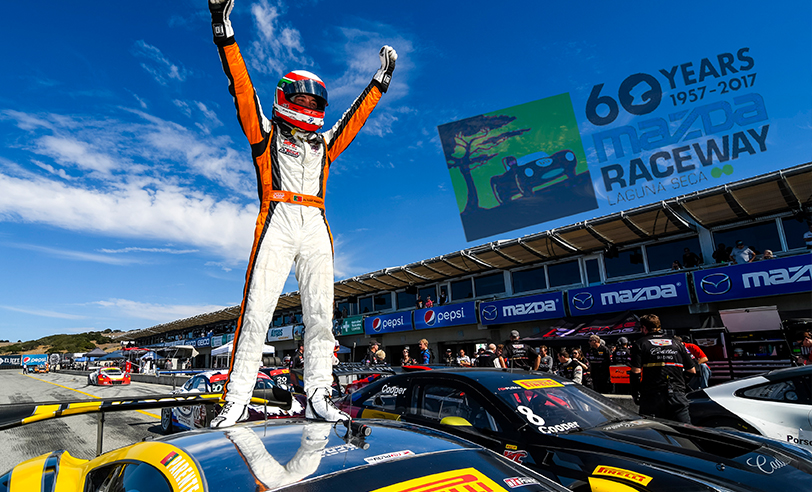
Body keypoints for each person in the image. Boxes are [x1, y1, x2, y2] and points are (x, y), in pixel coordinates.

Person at [207, 0, 397, 428]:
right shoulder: (266, 133)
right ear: (285, 98)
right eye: (304, 99)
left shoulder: (325, 144)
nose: (311, 107)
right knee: (257, 311)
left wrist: (379, 82)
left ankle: (317, 393)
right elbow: (241, 86)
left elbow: (356, 117)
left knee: (321, 315)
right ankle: (236, 398)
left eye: (316, 101)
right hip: (277, 215)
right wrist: (224, 28)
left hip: (315, 222)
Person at [630, 314, 696, 423]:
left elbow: (635, 372)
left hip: (651, 396)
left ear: (644, 328)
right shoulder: (677, 343)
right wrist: (679, 385)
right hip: (677, 394)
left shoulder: (640, 343)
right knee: (685, 432)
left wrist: (635, 393)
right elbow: (692, 371)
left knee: (653, 432)